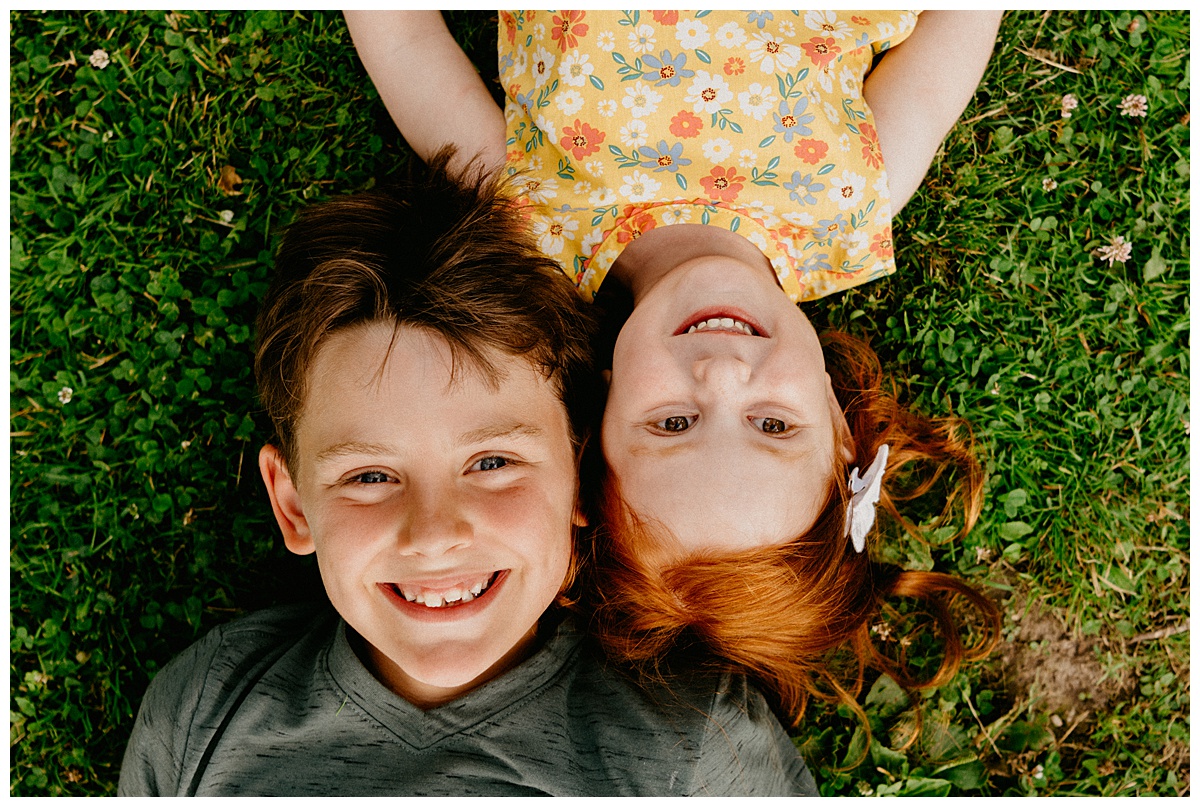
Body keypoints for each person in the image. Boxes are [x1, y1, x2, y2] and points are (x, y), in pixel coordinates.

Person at [347, 10, 1003, 730]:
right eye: (773, 423)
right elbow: (951, 46)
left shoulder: (535, 220)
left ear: (598, 418)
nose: (722, 373)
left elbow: (407, 41)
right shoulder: (848, 211)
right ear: (842, 430)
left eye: (673, 422)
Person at [116, 152, 817, 796]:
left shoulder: (696, 743)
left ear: (579, 477)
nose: (434, 533)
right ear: (293, 505)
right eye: (369, 476)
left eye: (491, 462)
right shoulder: (203, 715)